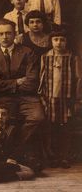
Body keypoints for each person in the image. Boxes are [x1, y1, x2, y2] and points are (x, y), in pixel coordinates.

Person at [0, 18, 45, 165]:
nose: (5, 37)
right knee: (5, 121)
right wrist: (17, 81)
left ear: (14, 34)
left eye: (8, 33)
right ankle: (17, 156)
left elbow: (31, 82)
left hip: (27, 97)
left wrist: (4, 83)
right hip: (4, 99)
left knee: (37, 117)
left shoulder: (28, 52)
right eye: (1, 34)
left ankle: (16, 152)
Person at [39, 26, 82, 168]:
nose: (58, 43)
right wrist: (42, 97)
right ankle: (51, 156)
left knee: (65, 128)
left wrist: (77, 99)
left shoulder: (72, 58)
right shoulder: (45, 57)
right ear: (51, 41)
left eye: (62, 40)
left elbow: (79, 79)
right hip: (49, 99)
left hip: (66, 99)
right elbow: (41, 78)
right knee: (50, 128)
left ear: (66, 42)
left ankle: (64, 156)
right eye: (55, 40)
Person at [0, 104, 35, 180]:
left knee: (36, 164)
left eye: (3, 114)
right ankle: (17, 174)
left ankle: (15, 170)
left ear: (8, 117)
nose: (0, 117)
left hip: (12, 160)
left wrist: (12, 158)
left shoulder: (13, 130)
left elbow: (19, 146)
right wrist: (6, 160)